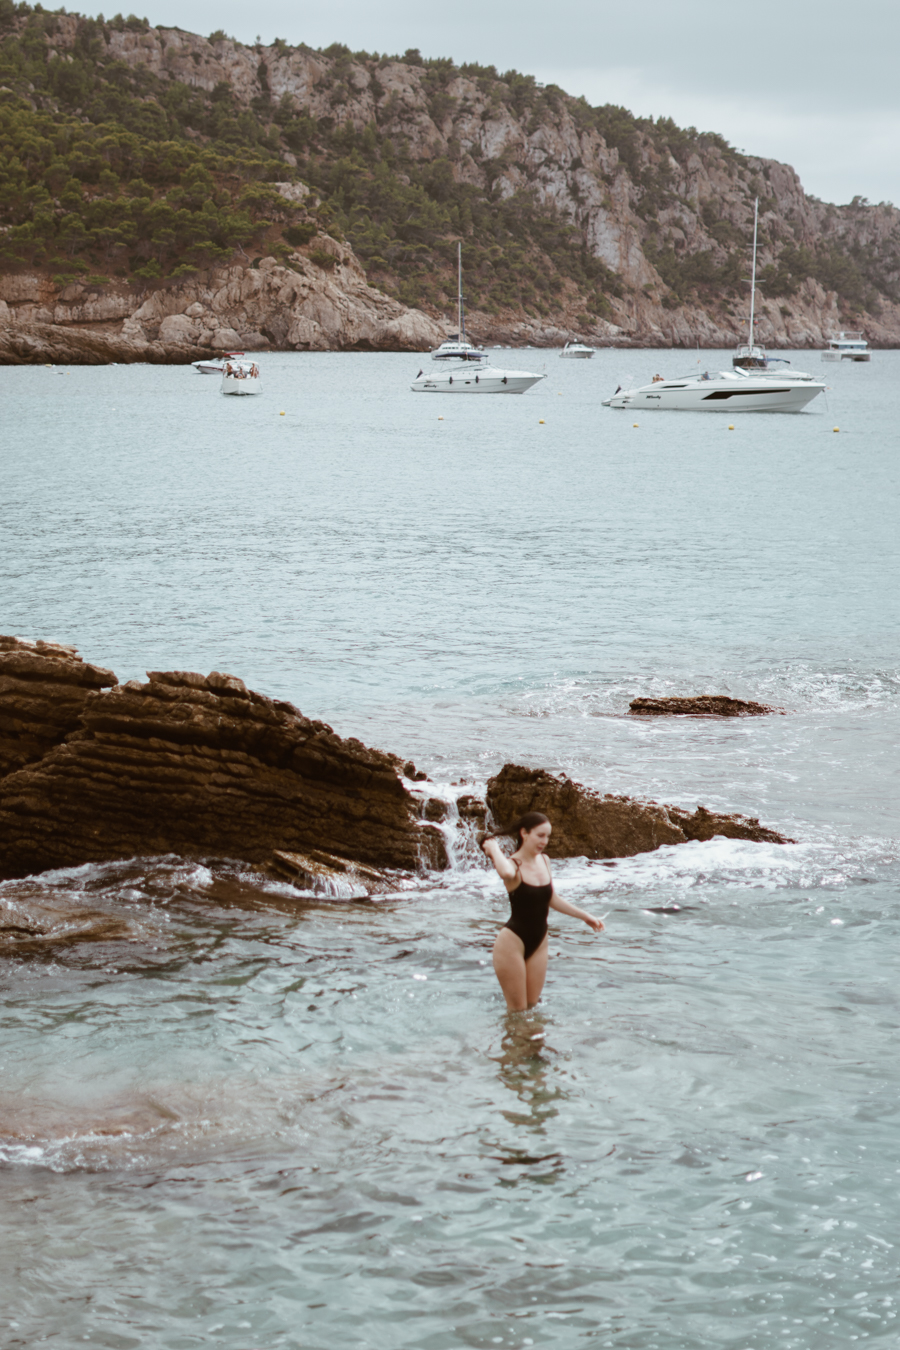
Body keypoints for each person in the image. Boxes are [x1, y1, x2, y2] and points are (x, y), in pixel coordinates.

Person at [479, 813, 604, 1012]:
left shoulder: (544, 861)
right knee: (517, 1012)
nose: (544, 841)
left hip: (539, 941)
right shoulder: (512, 865)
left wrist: (586, 916)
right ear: (524, 833)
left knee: (532, 1008)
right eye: (540, 835)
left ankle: (534, 1044)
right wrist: (494, 848)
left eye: (547, 836)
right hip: (512, 942)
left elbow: (551, 898)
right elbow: (506, 873)